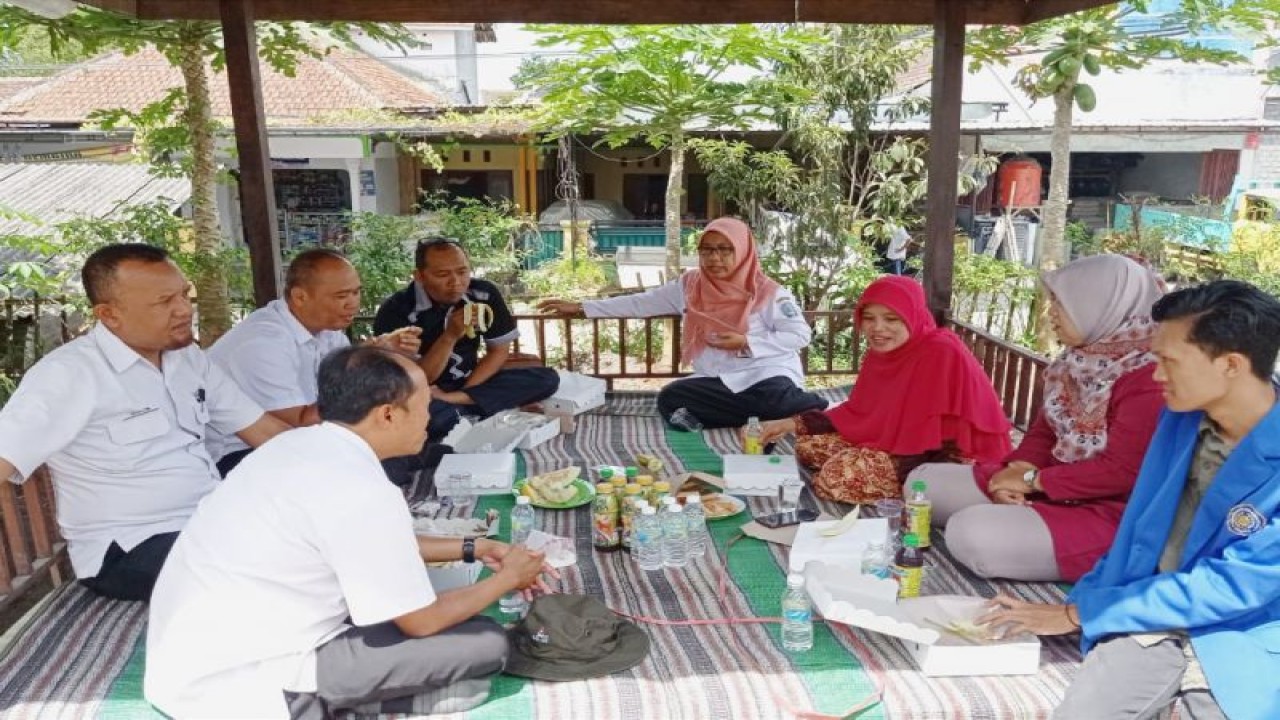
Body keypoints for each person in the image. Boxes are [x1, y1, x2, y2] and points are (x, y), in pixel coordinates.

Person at [145, 346, 552, 720]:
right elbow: (421, 622)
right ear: (388, 414)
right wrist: (507, 580)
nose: (429, 419)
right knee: (484, 640)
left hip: (186, 661)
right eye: (425, 406)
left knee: (452, 621)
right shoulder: (359, 487)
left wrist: (473, 547)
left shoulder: (298, 447)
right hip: (249, 678)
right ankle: (344, 703)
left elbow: (375, 546)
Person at [982, 280, 1280, 720]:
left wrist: (1081, 612)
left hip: (1245, 628)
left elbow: (1237, 588)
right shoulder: (1179, 419)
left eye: (1167, 360)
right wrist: (1088, 602)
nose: (1156, 374)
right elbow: (1140, 526)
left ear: (1231, 365)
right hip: (1148, 607)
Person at [0, 244, 287, 601]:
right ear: (109, 314)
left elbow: (267, 433)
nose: (184, 309)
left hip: (207, 520)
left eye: (184, 294)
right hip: (128, 548)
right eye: (164, 302)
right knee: (284, 565)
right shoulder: (69, 375)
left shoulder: (187, 360)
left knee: (322, 531)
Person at [909, 255, 1165, 582]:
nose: (1051, 313)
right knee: (925, 482)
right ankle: (1019, 521)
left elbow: (1121, 472)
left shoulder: (1150, 378)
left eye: (1062, 303)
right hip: (1050, 482)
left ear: (1099, 304)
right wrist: (1018, 472)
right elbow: (1045, 432)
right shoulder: (1080, 359)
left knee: (969, 535)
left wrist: (1033, 482)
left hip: (1112, 511)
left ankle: (1029, 532)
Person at [537, 217, 826, 430]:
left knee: (773, 396)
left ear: (743, 251)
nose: (715, 258)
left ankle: (806, 408)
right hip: (719, 381)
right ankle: (769, 418)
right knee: (671, 398)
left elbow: (799, 335)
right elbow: (641, 303)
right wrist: (581, 308)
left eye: (725, 249)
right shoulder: (690, 285)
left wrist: (747, 341)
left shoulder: (769, 291)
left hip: (764, 375)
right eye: (707, 250)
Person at [757, 275, 1011, 504]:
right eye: (869, 318)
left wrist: (883, 467)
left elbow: (938, 440)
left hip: (943, 458)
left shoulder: (939, 352)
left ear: (912, 316)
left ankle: (918, 490)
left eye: (891, 319)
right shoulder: (882, 354)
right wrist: (792, 423)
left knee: (834, 479)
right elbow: (859, 412)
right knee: (808, 447)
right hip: (900, 442)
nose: (877, 328)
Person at [206, 249, 420, 476]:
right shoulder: (263, 343)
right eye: (341, 296)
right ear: (300, 297)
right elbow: (302, 422)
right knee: (379, 464)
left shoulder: (329, 331)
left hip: (301, 438)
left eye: (356, 292)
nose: (353, 304)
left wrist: (379, 353)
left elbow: (341, 387)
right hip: (239, 454)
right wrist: (374, 358)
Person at [373, 237, 559, 442]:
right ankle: (486, 408)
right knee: (434, 419)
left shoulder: (483, 294)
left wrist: (463, 393)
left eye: (462, 272)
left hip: (470, 382)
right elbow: (418, 379)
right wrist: (450, 335)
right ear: (419, 276)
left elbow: (498, 351)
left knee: (547, 378)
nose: (456, 282)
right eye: (442, 274)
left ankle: (467, 408)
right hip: (423, 390)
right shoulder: (397, 311)